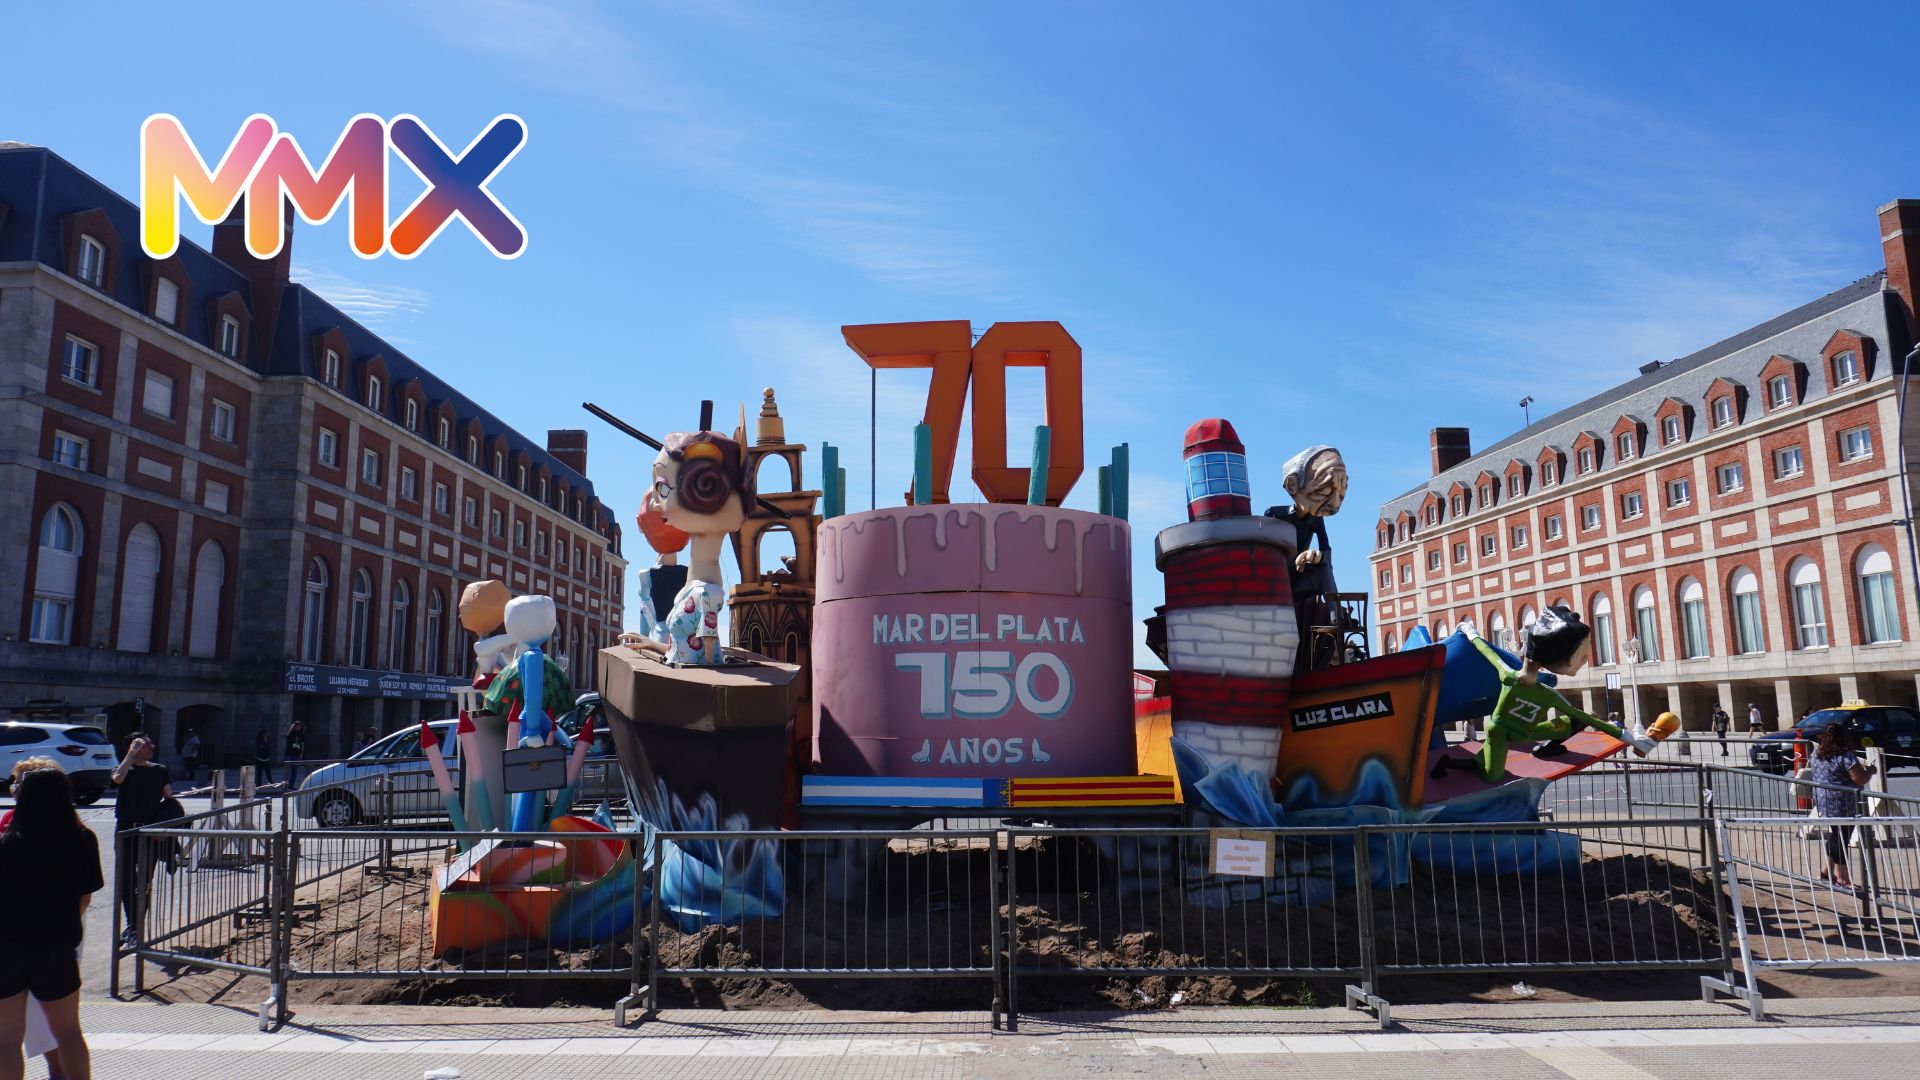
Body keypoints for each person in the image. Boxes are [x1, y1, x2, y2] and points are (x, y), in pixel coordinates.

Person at [1432, 607, 1661, 783]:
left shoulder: (1540, 690)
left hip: (1527, 732)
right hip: (1501, 735)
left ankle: (1547, 746)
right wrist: (1467, 630)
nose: (1583, 662)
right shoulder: (1510, 677)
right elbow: (1484, 650)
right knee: (1492, 775)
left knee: (1570, 722)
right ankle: (1449, 763)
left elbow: (1591, 719)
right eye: (1580, 658)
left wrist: (1631, 738)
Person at [0, 768, 103, 1080]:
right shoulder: (83, 840)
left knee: (6, 1040)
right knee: (69, 1032)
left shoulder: (6, 843)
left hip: (7, 948)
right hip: (57, 947)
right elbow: (85, 896)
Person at [110, 733, 172, 948]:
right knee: (126, 881)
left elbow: (170, 800)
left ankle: (136, 928)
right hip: (125, 831)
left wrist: (165, 827)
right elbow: (117, 779)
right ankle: (131, 925)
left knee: (143, 883)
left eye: (151, 743)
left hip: (150, 834)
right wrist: (129, 755)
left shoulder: (160, 770)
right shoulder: (126, 769)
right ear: (133, 747)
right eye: (146, 744)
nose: (152, 746)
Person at [1809, 721, 1875, 893]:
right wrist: (1871, 771)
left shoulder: (1817, 753)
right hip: (1843, 802)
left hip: (1824, 800)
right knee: (1841, 838)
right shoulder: (1846, 756)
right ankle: (1843, 879)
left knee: (1836, 835)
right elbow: (1859, 779)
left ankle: (1826, 872)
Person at [283, 719, 307, 785]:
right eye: (297, 726)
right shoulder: (291, 733)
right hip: (289, 754)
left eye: (299, 726)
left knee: (294, 771)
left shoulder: (301, 735)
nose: (298, 728)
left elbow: (302, 745)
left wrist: (301, 754)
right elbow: (286, 736)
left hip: (297, 754)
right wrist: (290, 728)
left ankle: (291, 785)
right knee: (287, 771)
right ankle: (284, 785)